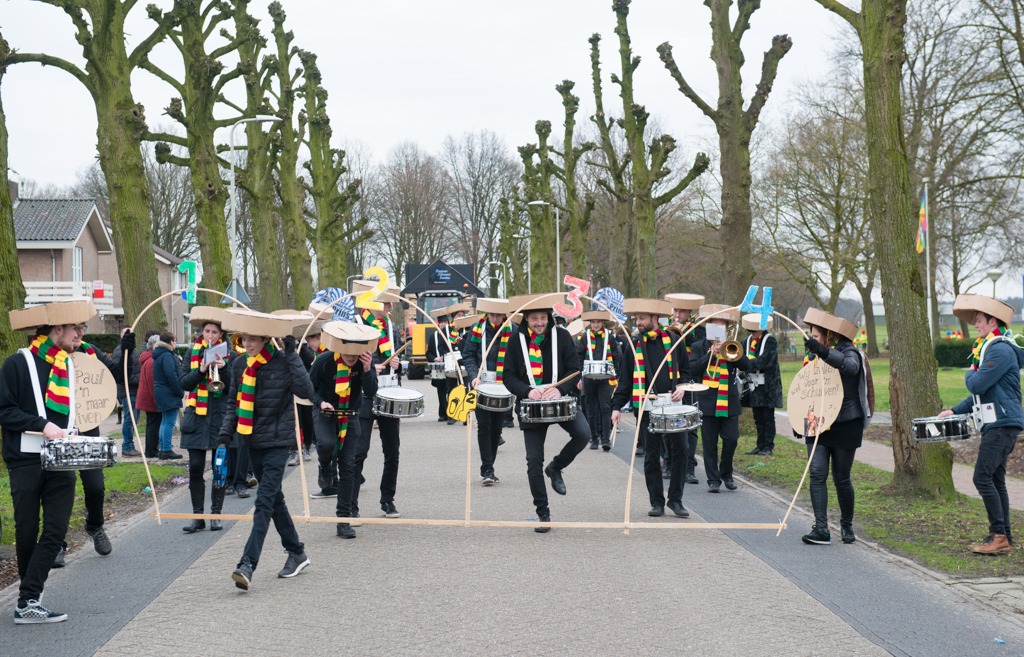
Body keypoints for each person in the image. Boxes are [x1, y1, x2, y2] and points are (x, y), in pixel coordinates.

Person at [1, 300, 96, 623]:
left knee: (55, 530)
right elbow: (4, 410)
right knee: (27, 530)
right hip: (25, 460)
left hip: (60, 459)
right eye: (77, 329)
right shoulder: (17, 364)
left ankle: (27, 599)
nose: (81, 335)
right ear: (58, 329)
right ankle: (29, 602)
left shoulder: (69, 365)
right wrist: (43, 425)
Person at [218, 309, 313, 590]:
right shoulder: (238, 365)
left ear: (265, 339)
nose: (246, 344)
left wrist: (293, 354)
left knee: (263, 503)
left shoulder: (283, 362)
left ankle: (247, 563)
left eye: (253, 339)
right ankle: (297, 552)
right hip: (251, 442)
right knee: (275, 501)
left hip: (277, 443)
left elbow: (306, 391)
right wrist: (225, 435)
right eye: (243, 338)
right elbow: (234, 404)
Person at [940, 295, 1024, 555]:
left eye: (979, 321)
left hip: (1002, 423)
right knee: (996, 480)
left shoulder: (999, 350)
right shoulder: (990, 347)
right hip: (1000, 422)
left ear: (992, 321)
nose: (976, 325)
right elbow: (979, 394)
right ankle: (1004, 537)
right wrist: (954, 410)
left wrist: (970, 369)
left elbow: (975, 383)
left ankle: (998, 535)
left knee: (982, 477)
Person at [502, 293, 590, 533]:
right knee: (533, 461)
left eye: (543, 317)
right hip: (531, 405)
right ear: (526, 319)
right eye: (534, 318)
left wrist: (560, 389)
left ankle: (556, 467)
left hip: (559, 400)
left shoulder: (562, 336)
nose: (539, 323)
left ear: (549, 317)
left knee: (583, 434)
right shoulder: (514, 341)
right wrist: (527, 391)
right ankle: (543, 513)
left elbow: (575, 370)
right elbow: (507, 376)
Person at [611, 299, 690, 518]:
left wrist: (682, 387)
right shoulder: (633, 344)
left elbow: (686, 370)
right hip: (646, 407)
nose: (638, 322)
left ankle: (676, 500)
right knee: (651, 455)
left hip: (674, 406)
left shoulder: (675, 340)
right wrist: (616, 407)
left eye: (642, 318)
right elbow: (625, 380)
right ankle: (657, 501)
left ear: (655, 319)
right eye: (636, 318)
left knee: (681, 450)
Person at [798, 308, 870, 546]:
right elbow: (805, 389)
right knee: (817, 474)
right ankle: (820, 529)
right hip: (817, 422)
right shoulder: (813, 356)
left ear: (828, 336)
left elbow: (850, 367)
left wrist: (824, 352)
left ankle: (846, 525)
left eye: (816, 337)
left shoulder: (850, 351)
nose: (812, 341)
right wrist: (801, 420)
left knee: (842, 478)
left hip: (845, 423)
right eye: (811, 337)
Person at [64, 323, 135, 559]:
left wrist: (126, 351)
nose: (80, 333)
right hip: (59, 432)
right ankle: (56, 542)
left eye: (82, 327)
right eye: (74, 328)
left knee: (96, 486)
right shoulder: (49, 357)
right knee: (60, 488)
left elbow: (118, 374)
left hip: (88, 429)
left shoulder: (91, 351)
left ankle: (95, 526)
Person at [308, 321, 380, 538]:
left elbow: (371, 391)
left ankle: (343, 519)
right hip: (326, 412)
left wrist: (367, 370)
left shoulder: (365, 362)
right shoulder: (324, 361)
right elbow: (309, 388)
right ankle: (324, 465)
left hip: (350, 414)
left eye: (355, 353)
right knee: (327, 445)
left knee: (349, 467)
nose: (351, 357)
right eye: (347, 352)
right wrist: (320, 403)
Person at [352, 279, 405, 519]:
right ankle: (351, 505)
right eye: (385, 304)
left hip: (389, 393)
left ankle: (388, 500)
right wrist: (370, 367)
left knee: (392, 451)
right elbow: (345, 362)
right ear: (370, 302)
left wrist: (398, 365)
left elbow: (398, 359)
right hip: (363, 396)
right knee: (359, 451)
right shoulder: (354, 324)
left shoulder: (391, 327)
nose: (389, 309)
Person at [178, 308, 233, 534]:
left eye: (214, 332)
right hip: (196, 418)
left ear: (221, 335)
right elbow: (184, 384)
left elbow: (235, 386)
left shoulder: (231, 356)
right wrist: (201, 370)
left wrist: (225, 369)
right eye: (206, 331)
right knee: (196, 468)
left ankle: (215, 515)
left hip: (220, 417)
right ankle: (198, 516)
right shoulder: (193, 353)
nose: (210, 335)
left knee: (219, 468)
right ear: (201, 332)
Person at [689, 304, 750, 493]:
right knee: (709, 443)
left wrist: (730, 353)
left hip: (729, 400)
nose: (719, 329)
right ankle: (713, 480)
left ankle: (726, 473)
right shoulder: (698, 346)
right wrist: (710, 354)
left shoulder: (733, 346)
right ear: (708, 327)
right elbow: (693, 369)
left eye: (722, 326)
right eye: (714, 326)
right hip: (707, 399)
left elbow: (746, 364)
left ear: (727, 328)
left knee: (731, 439)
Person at [462, 298, 517, 485]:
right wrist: (472, 375)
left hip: (503, 384)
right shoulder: (476, 328)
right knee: (483, 425)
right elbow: (468, 355)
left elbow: (518, 357)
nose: (494, 318)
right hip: (481, 383)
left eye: (498, 315)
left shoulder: (513, 330)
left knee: (496, 429)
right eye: (491, 315)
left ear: (504, 315)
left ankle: (488, 466)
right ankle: (487, 469)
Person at [665, 293, 705, 482]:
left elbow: (700, 346)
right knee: (667, 422)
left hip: (690, 380)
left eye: (682, 311)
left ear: (689, 312)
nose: (678, 314)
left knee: (690, 425)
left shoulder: (699, 330)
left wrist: (684, 334)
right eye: (676, 310)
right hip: (670, 378)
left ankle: (689, 468)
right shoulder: (666, 329)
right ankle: (669, 464)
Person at [740, 314, 783, 457]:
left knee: (768, 417)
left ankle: (768, 446)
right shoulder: (746, 341)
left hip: (768, 385)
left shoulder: (770, 340)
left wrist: (745, 365)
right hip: (754, 384)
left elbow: (766, 360)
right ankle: (759, 445)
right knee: (758, 416)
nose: (752, 332)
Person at [576, 310, 619, 452]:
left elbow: (616, 356)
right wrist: (580, 377)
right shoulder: (584, 337)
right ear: (590, 323)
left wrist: (616, 376)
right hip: (588, 378)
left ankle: (605, 439)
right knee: (591, 409)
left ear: (603, 323)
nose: (595, 325)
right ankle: (594, 438)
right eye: (593, 322)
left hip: (605, 378)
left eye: (598, 322)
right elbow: (579, 357)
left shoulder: (610, 337)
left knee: (605, 408)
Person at [425, 305, 461, 425]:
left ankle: (452, 412)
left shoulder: (453, 333)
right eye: (442, 323)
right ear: (438, 324)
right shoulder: (433, 337)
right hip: (440, 366)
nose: (444, 324)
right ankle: (443, 413)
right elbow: (428, 352)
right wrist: (435, 358)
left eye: (446, 322)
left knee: (452, 389)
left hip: (451, 365)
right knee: (441, 390)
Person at [151, 332, 184, 460]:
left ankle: (164, 449)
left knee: (164, 421)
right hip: (168, 392)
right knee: (169, 422)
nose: (175, 343)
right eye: (175, 340)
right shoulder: (167, 356)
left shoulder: (159, 355)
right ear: (170, 342)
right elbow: (172, 376)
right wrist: (180, 392)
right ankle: (166, 449)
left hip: (160, 390)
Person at [112, 330, 142, 457]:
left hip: (136, 390)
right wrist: (139, 380)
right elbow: (122, 373)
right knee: (129, 419)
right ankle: (127, 446)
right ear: (121, 335)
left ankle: (129, 445)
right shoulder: (120, 351)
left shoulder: (133, 350)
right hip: (128, 391)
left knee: (134, 419)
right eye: (126, 332)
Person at [135, 330, 162, 458]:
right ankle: (151, 450)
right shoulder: (152, 361)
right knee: (153, 425)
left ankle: (151, 449)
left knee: (152, 424)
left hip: (148, 398)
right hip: (152, 399)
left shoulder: (148, 358)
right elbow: (152, 383)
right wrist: (157, 400)